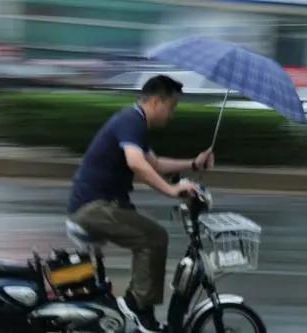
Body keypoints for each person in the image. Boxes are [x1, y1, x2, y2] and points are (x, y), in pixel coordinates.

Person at [67, 75, 215, 332]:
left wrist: (193, 164)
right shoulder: (131, 121)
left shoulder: (136, 125)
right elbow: (136, 163)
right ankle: (138, 309)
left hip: (105, 205)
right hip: (93, 208)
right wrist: (170, 190)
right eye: (172, 107)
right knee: (153, 237)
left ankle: (137, 307)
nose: (172, 115)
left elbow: (154, 165)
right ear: (157, 101)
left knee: (150, 235)